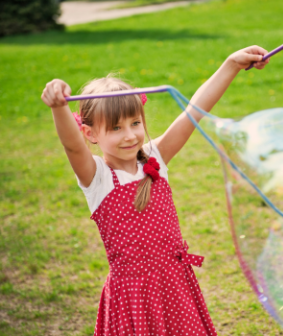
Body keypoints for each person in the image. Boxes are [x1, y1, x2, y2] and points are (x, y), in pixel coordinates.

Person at [41, 46, 270, 336]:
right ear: (91, 134)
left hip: (175, 282)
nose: (130, 135)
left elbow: (193, 111)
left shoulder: (154, 157)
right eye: (115, 128)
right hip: (134, 294)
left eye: (135, 123)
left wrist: (231, 64)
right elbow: (72, 146)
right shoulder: (97, 177)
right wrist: (59, 107)